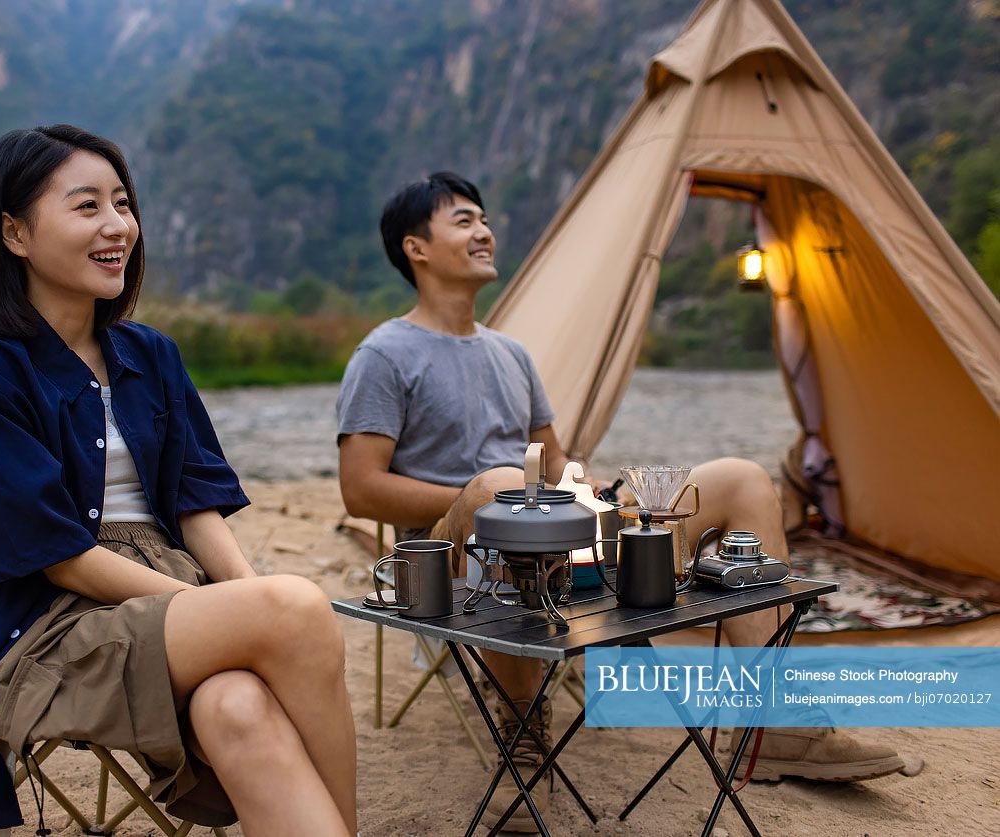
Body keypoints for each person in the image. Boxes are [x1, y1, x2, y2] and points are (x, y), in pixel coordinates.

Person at [336, 172, 910, 832]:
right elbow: (359, 488)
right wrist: (497, 495)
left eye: (484, 218)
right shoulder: (383, 353)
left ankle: (767, 722)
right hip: (453, 556)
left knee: (742, 478)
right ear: (415, 247)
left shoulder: (511, 353)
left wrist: (590, 497)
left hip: (552, 530)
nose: (485, 231)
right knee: (503, 491)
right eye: (463, 221)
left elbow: (554, 462)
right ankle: (523, 744)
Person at [0, 125, 357, 837]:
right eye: (86, 207)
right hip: (41, 621)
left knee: (235, 704)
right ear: (14, 233)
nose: (118, 226)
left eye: (122, 202)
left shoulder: (150, 354)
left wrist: (234, 604)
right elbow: (54, 553)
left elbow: (195, 503)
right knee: (294, 608)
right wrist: (246, 615)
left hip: (165, 600)